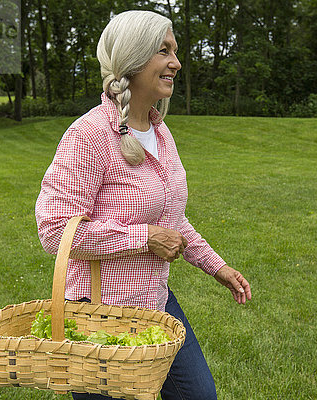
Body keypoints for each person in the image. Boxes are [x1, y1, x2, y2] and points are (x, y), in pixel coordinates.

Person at [35, 10, 252, 400]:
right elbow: (55, 229)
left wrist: (216, 267)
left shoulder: (160, 131)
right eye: (163, 51)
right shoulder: (88, 135)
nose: (176, 62)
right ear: (133, 59)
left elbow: (171, 220)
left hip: (155, 303)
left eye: (176, 51)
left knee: (198, 396)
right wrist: (144, 238)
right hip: (98, 316)